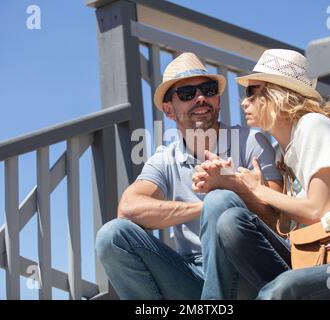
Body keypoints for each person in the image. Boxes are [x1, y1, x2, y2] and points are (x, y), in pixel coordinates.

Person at [94, 52, 283, 299]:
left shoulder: (251, 142)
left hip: (247, 269)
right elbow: (128, 209)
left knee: (220, 201)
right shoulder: (165, 158)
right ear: (169, 110)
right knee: (112, 236)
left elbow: (280, 220)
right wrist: (205, 210)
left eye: (208, 89)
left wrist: (230, 192)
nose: (201, 98)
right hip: (192, 274)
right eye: (187, 94)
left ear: (218, 100)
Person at [192, 49, 330, 299]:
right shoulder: (280, 151)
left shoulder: (314, 126)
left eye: (251, 92)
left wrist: (259, 190)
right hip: (306, 257)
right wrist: (234, 184)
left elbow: (317, 211)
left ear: (277, 94)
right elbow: (284, 229)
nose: (243, 102)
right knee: (230, 221)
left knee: (281, 289)